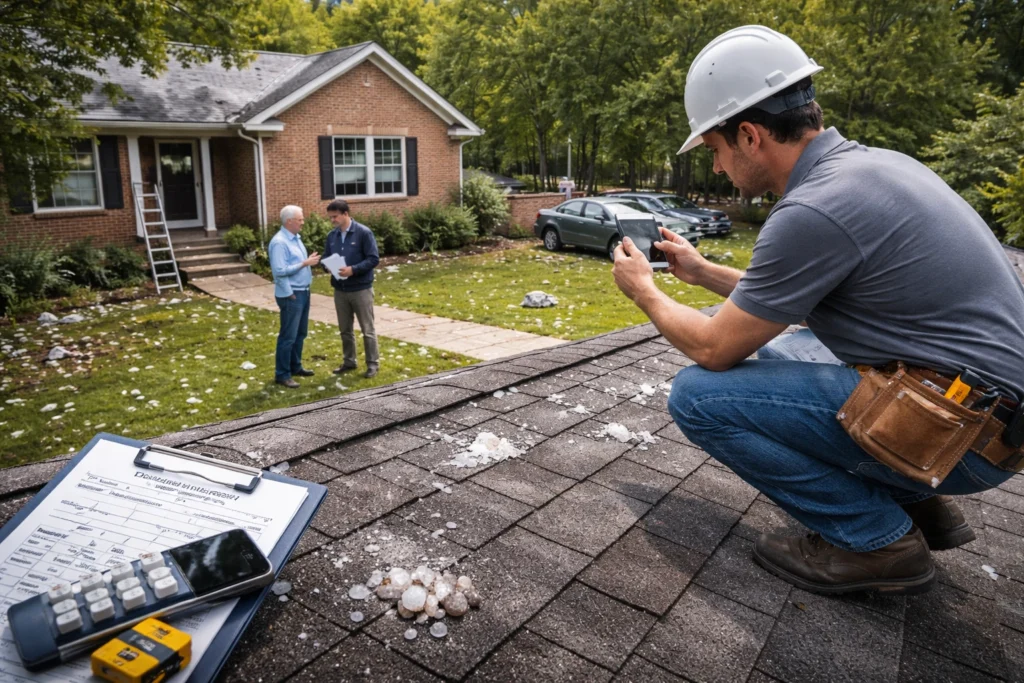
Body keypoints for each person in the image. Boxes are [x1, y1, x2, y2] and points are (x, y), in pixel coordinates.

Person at [612, 25, 1024, 595]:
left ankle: (877, 540)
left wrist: (645, 291)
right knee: (783, 349)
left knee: (699, 397)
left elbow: (713, 347)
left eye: (714, 149)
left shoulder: (814, 209)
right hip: (986, 419)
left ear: (750, 136)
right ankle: (917, 504)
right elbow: (799, 299)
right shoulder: (873, 169)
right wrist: (703, 272)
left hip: (957, 435)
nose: (715, 168)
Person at [322, 199, 380, 378]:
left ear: (346, 214)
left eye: (335, 217)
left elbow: (373, 259)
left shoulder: (363, 233)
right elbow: (325, 257)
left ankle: (372, 364)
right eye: (330, 217)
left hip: (361, 289)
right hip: (340, 290)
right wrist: (327, 266)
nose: (332, 220)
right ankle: (349, 361)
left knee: (367, 329)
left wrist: (353, 270)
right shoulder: (332, 236)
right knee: (345, 329)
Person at [268, 205, 319, 388]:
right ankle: (282, 374)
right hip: (292, 295)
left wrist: (307, 262)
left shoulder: (295, 238)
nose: (303, 222)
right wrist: (305, 263)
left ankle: (295, 366)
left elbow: (296, 264)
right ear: (289, 221)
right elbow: (279, 271)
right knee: (288, 336)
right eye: (300, 219)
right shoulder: (279, 242)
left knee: (300, 333)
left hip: (303, 291)